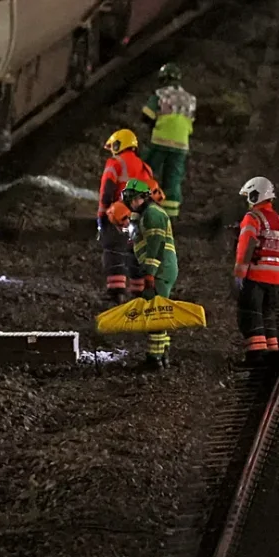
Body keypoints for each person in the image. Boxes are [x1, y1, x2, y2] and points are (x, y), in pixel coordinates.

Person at [97, 129, 161, 304]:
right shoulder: (145, 168)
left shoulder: (114, 163)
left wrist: (102, 215)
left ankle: (116, 292)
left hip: (119, 216)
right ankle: (138, 293)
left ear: (119, 145)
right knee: (137, 254)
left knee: (114, 250)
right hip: (141, 218)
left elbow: (106, 191)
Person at [122, 178, 179, 370]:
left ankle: (155, 358)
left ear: (144, 197)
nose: (131, 203)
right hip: (162, 269)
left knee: (155, 313)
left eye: (134, 199)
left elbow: (156, 245)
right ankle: (162, 354)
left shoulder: (152, 214)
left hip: (160, 269)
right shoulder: (145, 214)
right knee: (158, 310)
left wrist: (150, 273)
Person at [142, 63, 196, 219]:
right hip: (181, 144)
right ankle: (170, 215)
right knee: (173, 179)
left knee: (145, 171)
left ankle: (137, 204)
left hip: (161, 140)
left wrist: (153, 124)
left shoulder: (161, 94)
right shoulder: (190, 99)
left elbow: (147, 114)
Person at [234, 176, 279, 367]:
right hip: (276, 279)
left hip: (256, 275)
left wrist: (240, 272)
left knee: (250, 313)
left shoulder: (252, 217)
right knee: (268, 314)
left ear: (255, 195)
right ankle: (273, 352)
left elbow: (247, 245)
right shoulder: (277, 219)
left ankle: (255, 354)